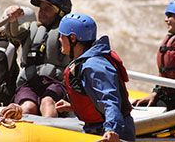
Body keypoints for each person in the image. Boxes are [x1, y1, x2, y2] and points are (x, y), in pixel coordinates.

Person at [55, 13, 135, 141]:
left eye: (62, 35)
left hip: (111, 131)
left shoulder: (93, 65)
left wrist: (111, 129)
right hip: (95, 128)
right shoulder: (85, 62)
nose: (59, 39)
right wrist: (73, 107)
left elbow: (109, 100)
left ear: (73, 38)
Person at [4, 0, 71, 117]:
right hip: (29, 82)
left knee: (47, 102)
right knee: (28, 107)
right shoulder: (30, 28)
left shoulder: (67, 33)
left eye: (48, 8)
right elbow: (13, 33)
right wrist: (12, 19)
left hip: (55, 82)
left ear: (61, 13)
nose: (42, 11)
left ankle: (50, 134)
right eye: (41, 7)